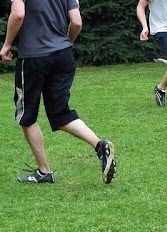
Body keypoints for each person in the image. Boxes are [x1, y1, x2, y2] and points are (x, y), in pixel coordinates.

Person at [0, 0, 116, 183]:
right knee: (60, 113)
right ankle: (99, 145)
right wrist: (64, 43)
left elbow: (18, 14)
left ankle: (44, 172)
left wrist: (7, 45)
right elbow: (77, 22)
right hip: (63, 55)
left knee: (27, 115)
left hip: (34, 57)